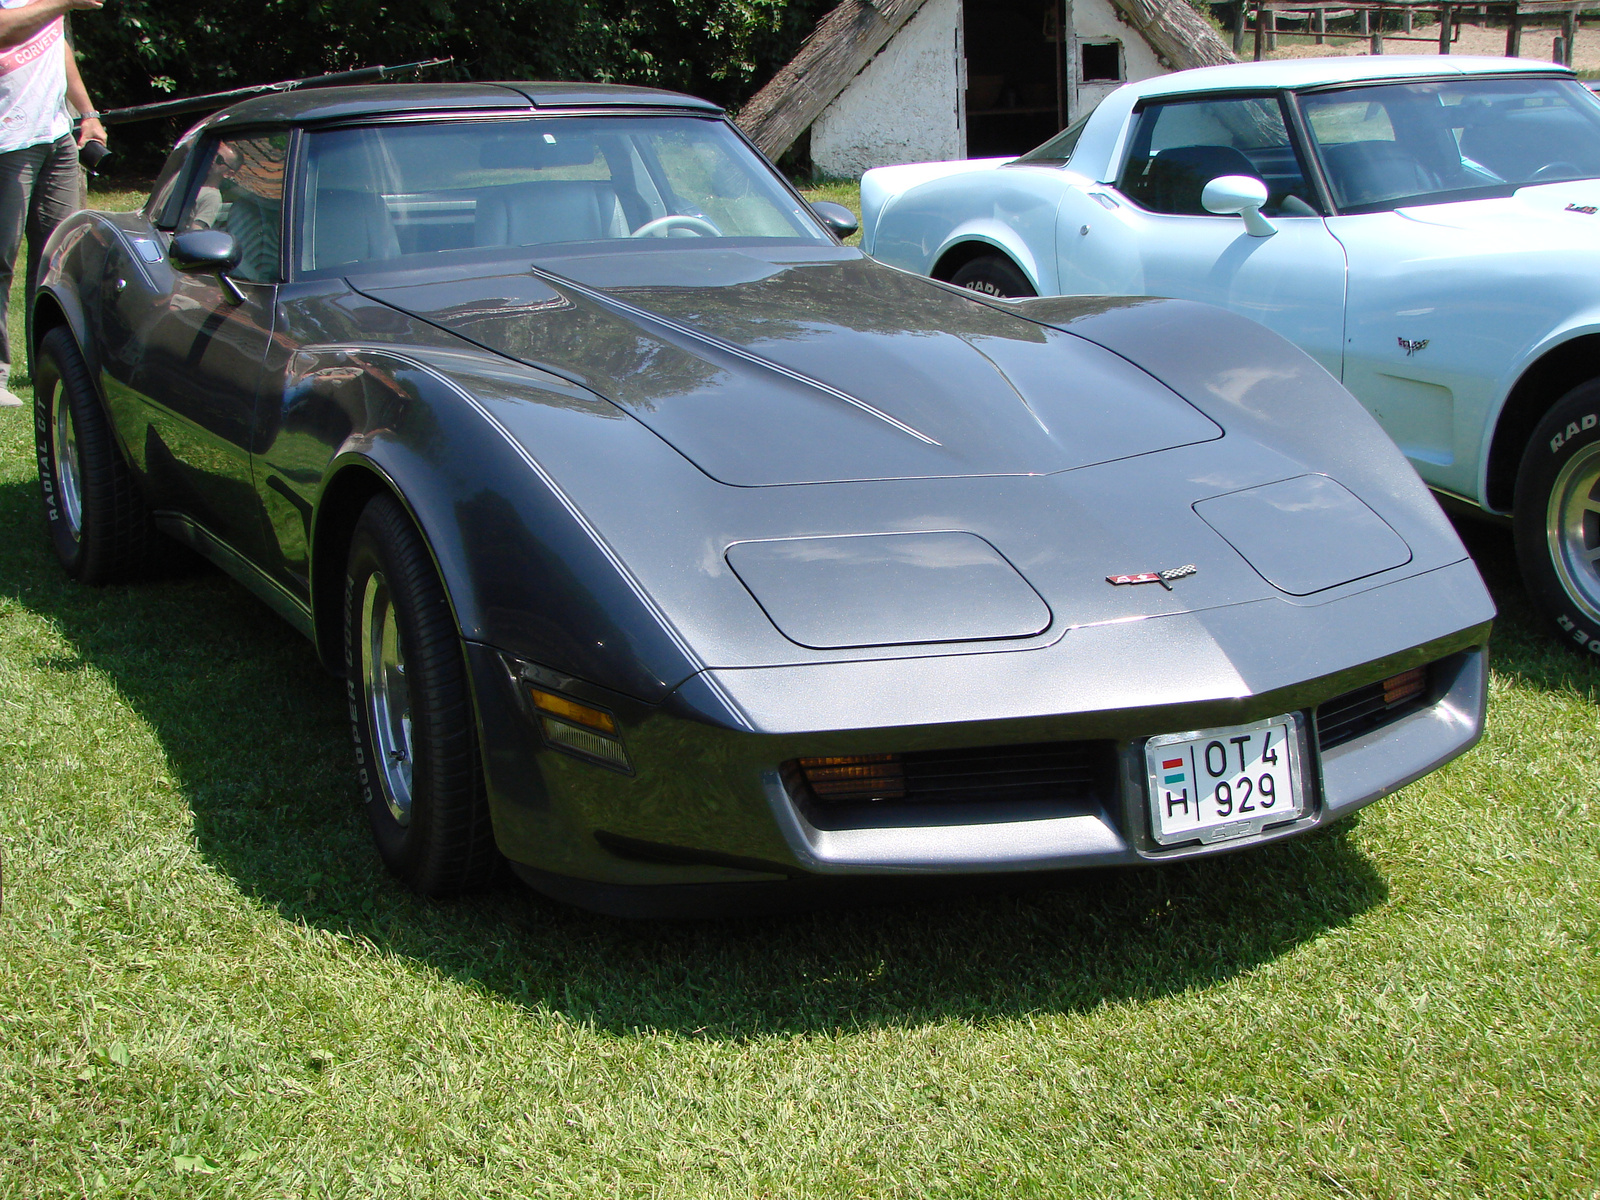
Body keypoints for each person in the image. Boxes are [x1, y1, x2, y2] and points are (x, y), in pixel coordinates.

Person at [0, 0, 105, 407]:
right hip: (6, 143)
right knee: (1, 260)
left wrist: (87, 112)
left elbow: (54, 42)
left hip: (54, 136)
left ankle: (49, 361)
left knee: (58, 257)